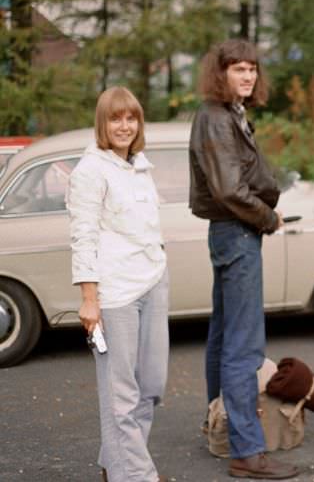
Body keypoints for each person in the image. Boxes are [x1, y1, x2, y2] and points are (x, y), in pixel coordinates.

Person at [188, 39, 298, 480]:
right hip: (237, 232)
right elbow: (230, 190)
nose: (248, 76)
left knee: (222, 336)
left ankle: (220, 427)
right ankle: (247, 451)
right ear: (221, 74)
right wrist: (268, 217)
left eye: (252, 68)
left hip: (232, 232)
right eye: (237, 69)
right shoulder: (216, 117)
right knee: (243, 344)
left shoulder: (230, 114)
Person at [67, 86, 169, 482]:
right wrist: (89, 300)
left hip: (153, 282)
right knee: (121, 396)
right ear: (102, 124)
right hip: (115, 294)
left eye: (131, 118)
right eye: (115, 118)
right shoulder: (90, 171)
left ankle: (117, 464)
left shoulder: (140, 167)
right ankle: (137, 475)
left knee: (151, 387)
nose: (124, 126)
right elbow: (83, 237)